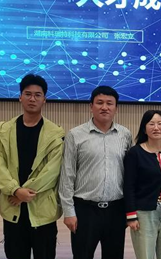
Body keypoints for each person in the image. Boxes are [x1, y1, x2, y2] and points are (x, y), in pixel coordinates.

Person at [0, 74, 65, 259]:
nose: (32, 99)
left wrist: (23, 194)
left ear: (44, 99)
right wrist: (15, 191)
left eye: (37, 95)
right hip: (12, 207)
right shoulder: (2, 131)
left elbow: (52, 171)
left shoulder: (56, 133)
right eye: (28, 94)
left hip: (42, 208)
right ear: (20, 97)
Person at [59, 85, 133, 259]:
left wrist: (130, 211)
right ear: (91, 106)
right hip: (85, 210)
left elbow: (130, 175)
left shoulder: (125, 135)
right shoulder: (75, 135)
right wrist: (69, 212)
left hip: (116, 210)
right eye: (99, 102)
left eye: (109, 103)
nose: (104, 107)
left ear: (116, 108)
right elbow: (67, 175)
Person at [124, 110, 161, 259]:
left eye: (160, 124)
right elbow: (129, 185)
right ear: (144, 129)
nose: (156, 128)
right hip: (144, 214)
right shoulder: (135, 153)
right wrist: (131, 215)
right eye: (151, 124)